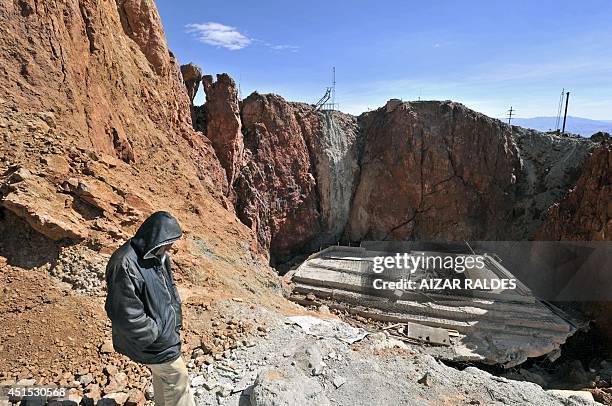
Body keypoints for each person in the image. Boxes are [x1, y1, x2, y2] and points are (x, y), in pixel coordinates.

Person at [105, 211, 195, 406]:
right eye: (168, 242)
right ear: (155, 237)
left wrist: (175, 321)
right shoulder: (125, 263)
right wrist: (156, 333)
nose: (170, 247)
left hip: (165, 335)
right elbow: (125, 314)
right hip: (155, 342)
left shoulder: (159, 255)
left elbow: (170, 290)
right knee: (178, 378)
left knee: (164, 379)